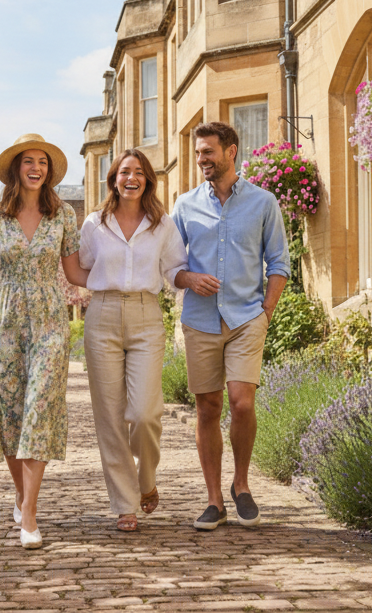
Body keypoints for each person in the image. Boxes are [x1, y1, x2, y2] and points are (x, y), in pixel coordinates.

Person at [0, 133, 88, 549]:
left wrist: (126, 276)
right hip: (5, 322)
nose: (36, 167)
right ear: (17, 169)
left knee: (39, 407)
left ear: (49, 171)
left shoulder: (63, 217)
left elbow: (75, 273)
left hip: (51, 320)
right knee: (11, 415)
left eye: (43, 162)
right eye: (28, 161)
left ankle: (31, 515)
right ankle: (21, 495)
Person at [171, 121, 290, 530]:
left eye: (208, 152)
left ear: (231, 151)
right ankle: (214, 499)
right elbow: (170, 266)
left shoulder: (263, 202)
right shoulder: (185, 206)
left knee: (241, 402)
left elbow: (279, 264)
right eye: (198, 153)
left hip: (245, 318)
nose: (202, 160)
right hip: (201, 320)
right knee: (208, 407)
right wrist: (189, 279)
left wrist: (267, 311)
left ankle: (241, 484)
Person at [77, 149, 187, 532]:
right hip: (102, 314)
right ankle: (125, 504)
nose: (132, 178)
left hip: (145, 314)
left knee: (144, 413)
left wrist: (192, 281)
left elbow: (175, 269)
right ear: (114, 178)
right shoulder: (94, 223)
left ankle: (147, 479)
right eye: (125, 171)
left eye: (139, 172)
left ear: (148, 180)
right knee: (109, 416)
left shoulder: (162, 224)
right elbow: (81, 267)